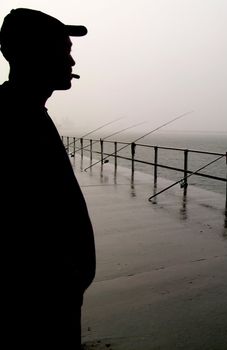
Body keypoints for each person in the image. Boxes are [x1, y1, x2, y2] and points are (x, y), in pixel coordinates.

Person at [0, 8, 95, 349]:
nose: (71, 62)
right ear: (27, 52)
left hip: (55, 298)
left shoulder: (26, 110)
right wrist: (65, 277)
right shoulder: (12, 118)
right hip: (37, 309)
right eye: (62, 49)